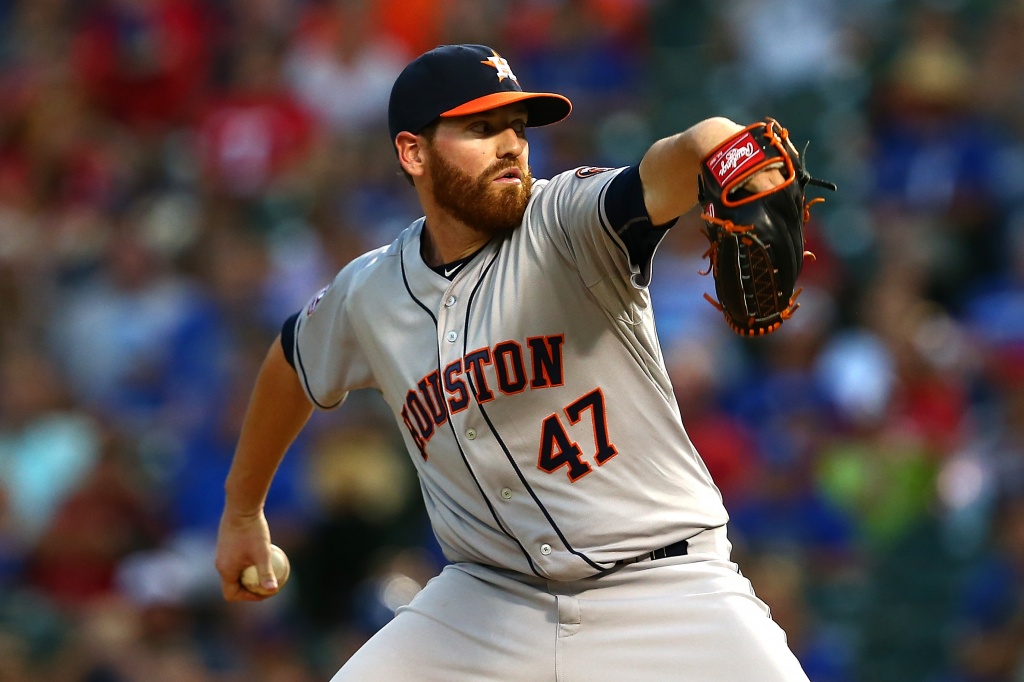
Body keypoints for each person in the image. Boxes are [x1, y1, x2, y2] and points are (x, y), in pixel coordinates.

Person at [215, 43, 811, 681]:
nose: (510, 145)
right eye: (480, 128)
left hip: (665, 585)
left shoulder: (567, 221)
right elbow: (290, 363)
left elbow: (670, 166)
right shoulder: (370, 294)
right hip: (487, 603)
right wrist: (243, 510)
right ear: (413, 152)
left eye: (517, 128)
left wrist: (718, 142)